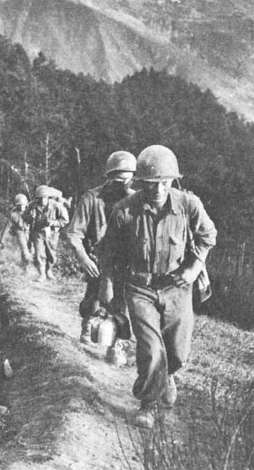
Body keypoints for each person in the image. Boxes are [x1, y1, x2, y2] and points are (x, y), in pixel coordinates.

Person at [100, 145, 217, 429]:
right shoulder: (124, 210)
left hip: (177, 286)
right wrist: (106, 284)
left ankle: (168, 374)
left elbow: (208, 235)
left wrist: (193, 269)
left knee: (177, 351)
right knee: (151, 348)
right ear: (140, 183)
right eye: (151, 184)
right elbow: (108, 252)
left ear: (173, 181)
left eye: (164, 183)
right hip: (139, 287)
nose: (158, 189)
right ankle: (148, 405)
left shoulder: (188, 205)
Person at [66, 151, 137, 344]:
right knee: (94, 296)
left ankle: (117, 342)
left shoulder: (135, 202)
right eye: (117, 180)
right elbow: (73, 232)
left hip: (123, 263)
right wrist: (83, 257)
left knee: (120, 302)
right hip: (96, 260)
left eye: (126, 181)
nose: (121, 185)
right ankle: (88, 327)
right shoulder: (92, 199)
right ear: (108, 178)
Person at [23, 184, 69, 282]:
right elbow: (24, 216)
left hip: (51, 233)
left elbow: (65, 220)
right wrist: (30, 218)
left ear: (48, 197)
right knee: (39, 253)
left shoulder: (56, 205)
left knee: (51, 254)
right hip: (37, 232)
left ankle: (49, 270)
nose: (42, 200)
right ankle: (42, 274)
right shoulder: (32, 205)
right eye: (39, 198)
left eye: (44, 198)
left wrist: (52, 223)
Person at [0, 193, 32, 270]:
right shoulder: (13, 215)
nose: (21, 207)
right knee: (25, 250)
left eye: (23, 205)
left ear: (26, 204)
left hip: (30, 232)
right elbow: (7, 227)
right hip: (20, 232)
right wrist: (2, 239)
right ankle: (26, 264)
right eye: (19, 205)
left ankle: (24, 267)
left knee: (31, 250)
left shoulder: (31, 211)